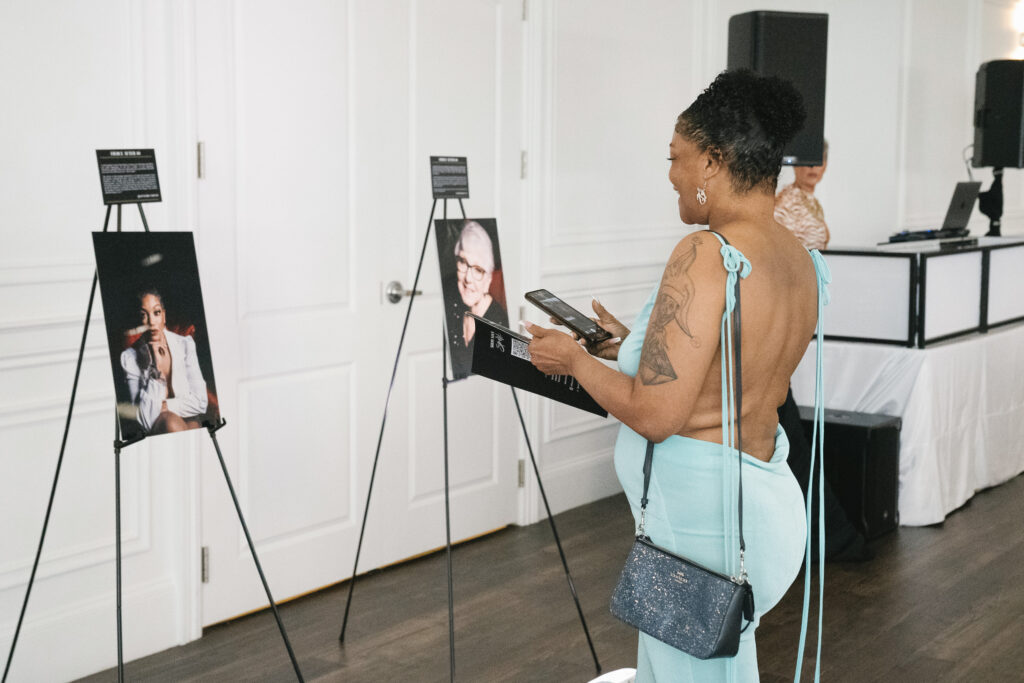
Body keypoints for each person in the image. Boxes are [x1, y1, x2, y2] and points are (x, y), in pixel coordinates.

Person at [525, 70, 827, 681]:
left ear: (713, 162)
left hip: (705, 527)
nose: (670, 174)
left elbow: (658, 417)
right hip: (762, 507)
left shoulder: (706, 253)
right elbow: (735, 366)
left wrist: (575, 360)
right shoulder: (802, 258)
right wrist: (627, 346)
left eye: (676, 158)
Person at [120, 288, 208, 435]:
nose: (151, 322)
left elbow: (201, 402)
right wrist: (155, 367)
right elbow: (142, 417)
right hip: (158, 424)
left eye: (156, 312)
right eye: (144, 315)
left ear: (164, 316)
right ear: (138, 320)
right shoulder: (129, 357)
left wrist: (165, 405)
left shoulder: (185, 344)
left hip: (187, 419)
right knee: (171, 422)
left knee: (193, 424)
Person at [444, 220, 508, 377]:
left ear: (489, 279)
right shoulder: (452, 308)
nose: (468, 278)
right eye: (463, 263)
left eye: (478, 270)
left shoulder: (498, 324)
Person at [774, 140, 829, 250]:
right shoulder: (786, 203)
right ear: (795, 164)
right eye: (807, 158)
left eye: (818, 159)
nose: (812, 166)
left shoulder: (812, 202)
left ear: (825, 166)